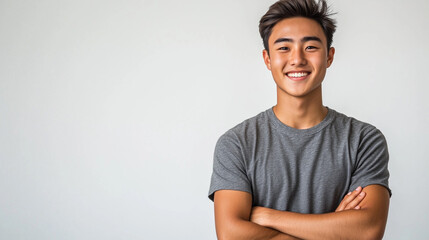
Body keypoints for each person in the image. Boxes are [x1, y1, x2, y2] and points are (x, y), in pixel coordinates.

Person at [208, 0, 391, 239]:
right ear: (267, 59)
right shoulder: (236, 144)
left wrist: (267, 217)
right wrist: (333, 230)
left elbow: (368, 230)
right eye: (284, 48)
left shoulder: (364, 140)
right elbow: (231, 234)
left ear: (329, 56)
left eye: (311, 47)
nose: (297, 59)